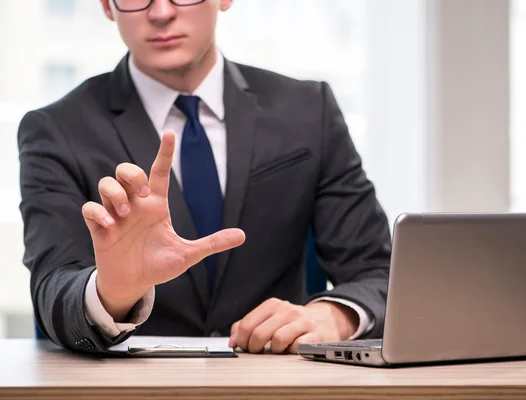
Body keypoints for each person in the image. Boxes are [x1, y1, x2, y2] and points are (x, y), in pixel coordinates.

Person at [17, 0, 391, 354]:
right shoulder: (56, 131)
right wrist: (112, 292)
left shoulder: (309, 111)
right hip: (133, 387)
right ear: (106, 6)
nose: (161, 12)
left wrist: (333, 316)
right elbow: (53, 289)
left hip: (276, 376)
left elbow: (380, 272)